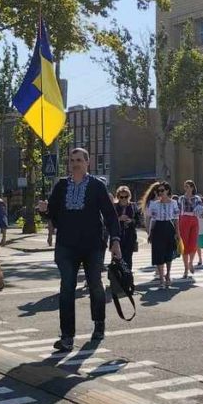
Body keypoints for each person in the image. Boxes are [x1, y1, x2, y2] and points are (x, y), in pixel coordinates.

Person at [42, 148, 123, 352]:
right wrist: (43, 210)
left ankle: (99, 323)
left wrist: (115, 240)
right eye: (72, 160)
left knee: (95, 284)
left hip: (92, 245)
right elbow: (53, 214)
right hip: (66, 245)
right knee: (67, 288)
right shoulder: (61, 186)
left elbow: (110, 216)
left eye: (79, 160)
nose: (75, 163)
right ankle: (67, 336)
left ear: (88, 163)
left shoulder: (96, 186)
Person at [143, 180, 180, 289]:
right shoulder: (154, 204)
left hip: (169, 227)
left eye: (162, 190)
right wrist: (150, 233)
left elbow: (176, 219)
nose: (160, 193)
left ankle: (168, 274)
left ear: (167, 190)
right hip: (158, 228)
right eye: (158, 191)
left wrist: (178, 233)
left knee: (168, 252)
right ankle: (161, 279)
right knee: (158, 253)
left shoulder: (173, 203)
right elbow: (151, 219)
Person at [178, 180, 202, 279]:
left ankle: (191, 262)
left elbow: (201, 208)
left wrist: (200, 209)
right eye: (185, 187)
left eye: (188, 186)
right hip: (184, 219)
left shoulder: (197, 198)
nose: (186, 188)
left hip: (194, 219)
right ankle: (185, 269)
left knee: (193, 243)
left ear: (192, 187)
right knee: (184, 244)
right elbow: (178, 210)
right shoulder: (181, 198)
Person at [114, 186, 139, 270]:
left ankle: (128, 278)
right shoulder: (114, 207)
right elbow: (109, 221)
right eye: (121, 197)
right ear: (118, 197)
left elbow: (138, 221)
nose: (124, 199)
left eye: (126, 197)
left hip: (130, 236)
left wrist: (131, 220)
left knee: (128, 258)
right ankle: (118, 279)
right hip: (117, 236)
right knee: (117, 258)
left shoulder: (133, 206)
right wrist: (119, 219)